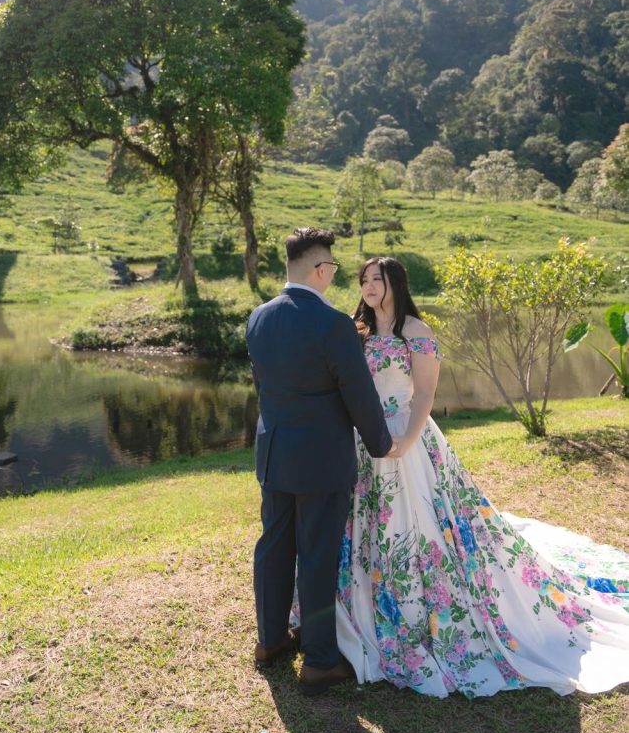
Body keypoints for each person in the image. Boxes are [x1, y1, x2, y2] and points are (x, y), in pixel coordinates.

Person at [336, 255, 629, 698]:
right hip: (364, 437)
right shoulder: (357, 331)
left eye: (376, 279)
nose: (368, 286)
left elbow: (425, 394)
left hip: (405, 437)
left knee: (419, 522)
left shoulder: (416, 331)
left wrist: (407, 440)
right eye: (363, 280)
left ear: (395, 282)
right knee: (365, 521)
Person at [247, 228, 403, 696]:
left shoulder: (258, 317)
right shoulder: (333, 324)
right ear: (319, 269)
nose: (333, 275)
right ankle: (318, 661)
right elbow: (358, 393)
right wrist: (381, 443)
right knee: (316, 554)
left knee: (273, 546)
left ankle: (270, 641)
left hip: (274, 454)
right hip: (320, 459)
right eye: (332, 267)